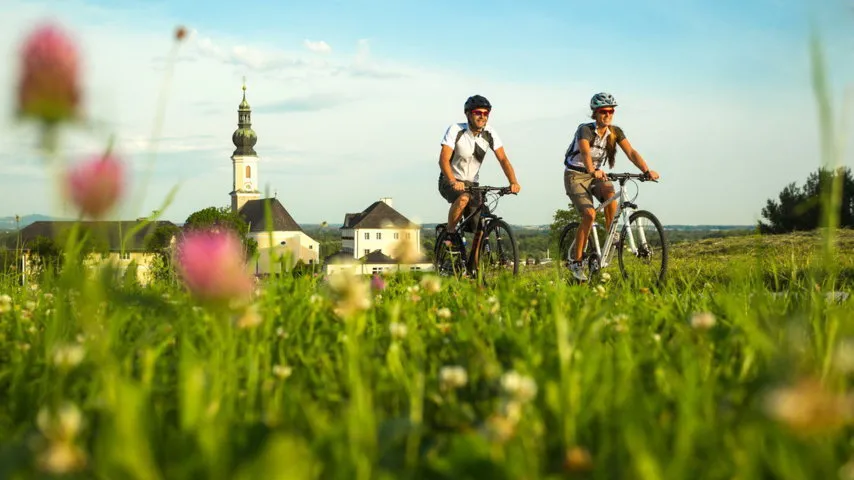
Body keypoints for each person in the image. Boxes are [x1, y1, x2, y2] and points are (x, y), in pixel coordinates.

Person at [562, 92, 660, 281]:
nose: (608, 115)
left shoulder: (615, 132)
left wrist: (646, 170)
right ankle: (576, 261)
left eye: (611, 111)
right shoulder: (585, 130)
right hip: (575, 175)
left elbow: (631, 152)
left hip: (597, 175)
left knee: (610, 192)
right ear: (595, 113)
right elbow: (584, 152)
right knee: (589, 214)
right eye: (603, 111)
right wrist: (592, 170)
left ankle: (611, 232)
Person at [437, 95, 521, 243]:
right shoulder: (456, 130)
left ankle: (474, 266)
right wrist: (452, 180)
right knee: (463, 197)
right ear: (468, 114)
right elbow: (443, 159)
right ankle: (450, 233)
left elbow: (503, 159)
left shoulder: (489, 133)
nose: (482, 117)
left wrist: (513, 182)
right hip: (449, 179)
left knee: (479, 229)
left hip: (473, 185)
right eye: (478, 113)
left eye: (486, 114)